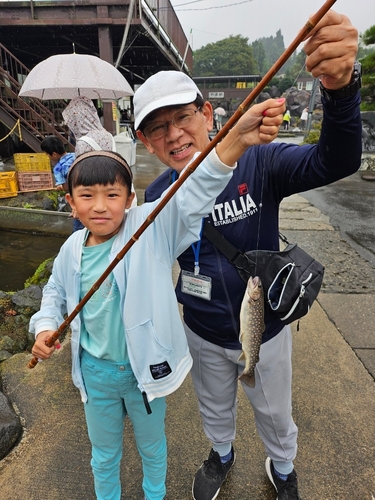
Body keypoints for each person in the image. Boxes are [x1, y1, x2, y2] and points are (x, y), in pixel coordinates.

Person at [139, 10, 362, 500]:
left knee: (275, 411)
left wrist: (342, 90)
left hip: (266, 325)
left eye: (182, 117)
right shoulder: (157, 201)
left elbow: (337, 159)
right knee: (212, 406)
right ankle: (221, 455)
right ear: (145, 143)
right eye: (158, 128)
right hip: (200, 327)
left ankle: (283, 468)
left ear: (206, 112)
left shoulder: (260, 159)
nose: (174, 134)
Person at [29, 95, 284, 500]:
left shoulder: (148, 230)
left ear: (131, 200)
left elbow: (193, 195)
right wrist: (44, 327)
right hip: (94, 376)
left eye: (112, 195)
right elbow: (55, 295)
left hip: (143, 373)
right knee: (103, 454)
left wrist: (233, 144)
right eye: (87, 196)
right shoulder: (70, 251)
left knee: (152, 449)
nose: (100, 207)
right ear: (71, 203)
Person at [40, 135, 84, 232]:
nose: (47, 156)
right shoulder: (75, 155)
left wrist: (61, 187)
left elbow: (68, 185)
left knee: (78, 230)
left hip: (78, 200)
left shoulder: (61, 167)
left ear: (54, 154)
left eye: (47, 154)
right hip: (86, 197)